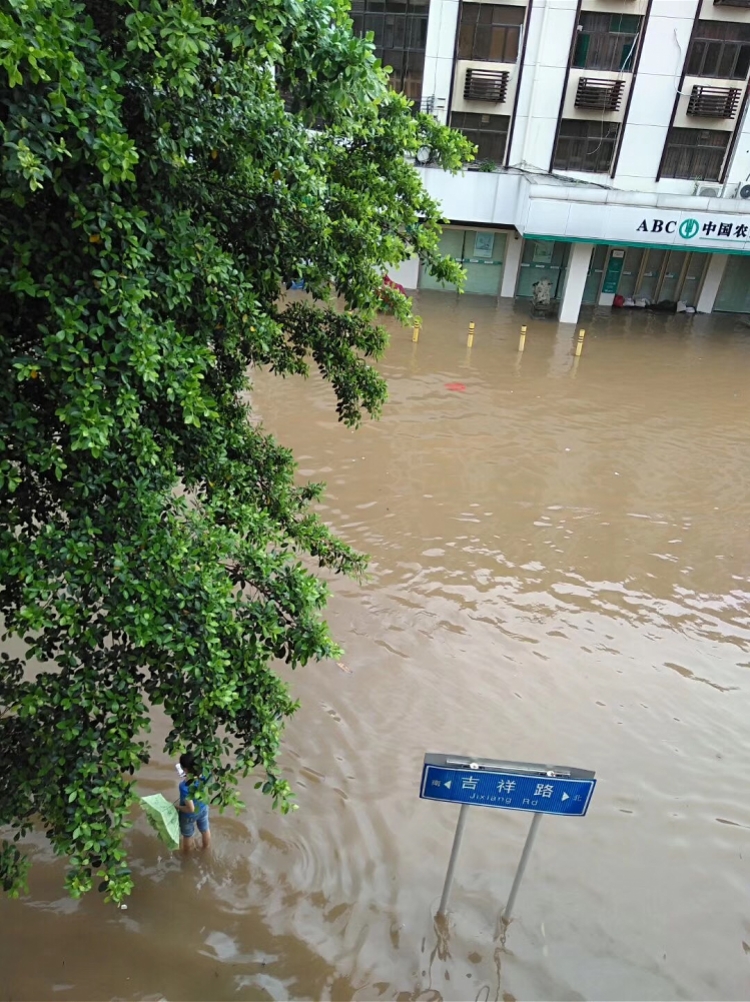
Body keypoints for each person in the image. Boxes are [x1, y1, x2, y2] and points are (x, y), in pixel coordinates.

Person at [177, 751, 211, 851]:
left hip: (188, 816)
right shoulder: (206, 772)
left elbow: (190, 809)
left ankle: (187, 857)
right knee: (205, 830)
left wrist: (176, 807)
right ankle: (206, 849)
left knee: (187, 835)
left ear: (185, 770)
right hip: (203, 807)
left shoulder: (184, 787)